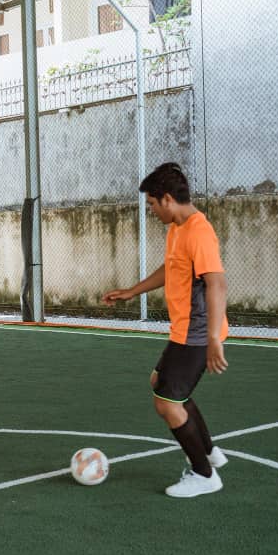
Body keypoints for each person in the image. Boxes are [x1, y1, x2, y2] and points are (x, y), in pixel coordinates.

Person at [103, 162, 229, 498]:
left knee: (167, 404)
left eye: (152, 204)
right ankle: (211, 453)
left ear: (168, 199)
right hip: (185, 330)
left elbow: (217, 285)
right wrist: (132, 290)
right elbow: (171, 269)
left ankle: (205, 476)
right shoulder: (178, 228)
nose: (151, 210)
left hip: (198, 333)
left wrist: (215, 338)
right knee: (161, 383)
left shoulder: (199, 232)